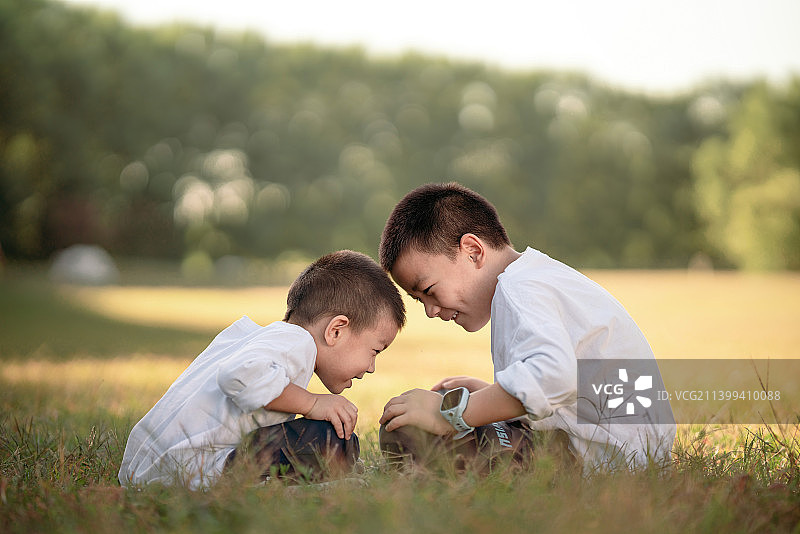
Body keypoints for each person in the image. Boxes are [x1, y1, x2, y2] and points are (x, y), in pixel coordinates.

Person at [378, 182, 675, 473]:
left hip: (612, 464)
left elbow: (554, 379)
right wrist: (487, 394)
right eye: (419, 301)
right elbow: (569, 385)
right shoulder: (534, 277)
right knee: (460, 410)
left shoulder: (518, 289)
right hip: (633, 452)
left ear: (472, 250)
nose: (431, 311)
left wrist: (450, 414)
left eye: (428, 289)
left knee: (418, 431)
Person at [119, 250, 405, 489]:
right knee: (330, 440)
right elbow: (237, 376)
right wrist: (312, 403)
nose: (371, 368)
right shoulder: (297, 341)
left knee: (329, 441)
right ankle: (279, 487)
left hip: (151, 465)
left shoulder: (262, 338)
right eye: (374, 351)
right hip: (193, 468)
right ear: (336, 330)